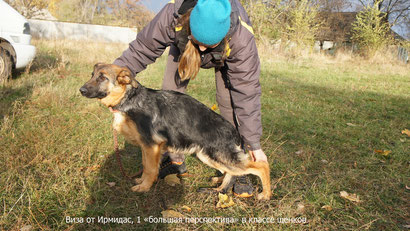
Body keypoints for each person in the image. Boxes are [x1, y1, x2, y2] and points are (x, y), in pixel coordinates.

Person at [113, 0, 268, 198]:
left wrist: (253, 143)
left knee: (228, 101)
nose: (203, 50)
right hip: (184, 44)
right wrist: (114, 81)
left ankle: (235, 158)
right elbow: (141, 49)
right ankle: (173, 158)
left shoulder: (241, 37)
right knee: (169, 95)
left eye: (209, 44)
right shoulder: (173, 15)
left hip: (226, 54)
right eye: (199, 42)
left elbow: (247, 92)